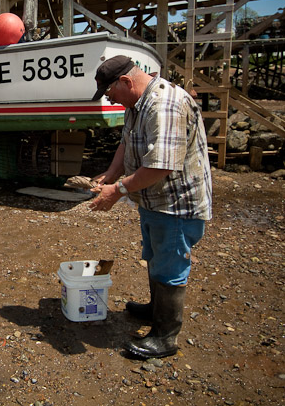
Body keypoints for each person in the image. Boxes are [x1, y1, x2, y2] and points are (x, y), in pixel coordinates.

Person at [88, 55, 212, 359]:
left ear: (127, 82)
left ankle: (165, 337)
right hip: (153, 200)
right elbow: (125, 142)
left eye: (111, 93)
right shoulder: (136, 104)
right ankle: (156, 311)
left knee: (170, 266)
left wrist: (116, 190)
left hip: (176, 205)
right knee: (156, 256)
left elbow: (161, 167)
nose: (112, 100)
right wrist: (111, 173)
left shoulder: (163, 105)